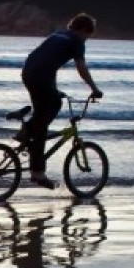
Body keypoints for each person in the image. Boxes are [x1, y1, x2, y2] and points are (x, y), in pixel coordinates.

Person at [21, 13, 102, 188]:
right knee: (42, 125)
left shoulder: (59, 34)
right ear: (83, 30)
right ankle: (37, 172)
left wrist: (55, 90)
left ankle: (26, 130)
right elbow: (81, 68)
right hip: (41, 76)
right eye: (88, 35)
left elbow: (47, 63)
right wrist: (94, 89)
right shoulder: (76, 41)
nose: (87, 39)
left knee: (52, 105)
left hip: (28, 72)